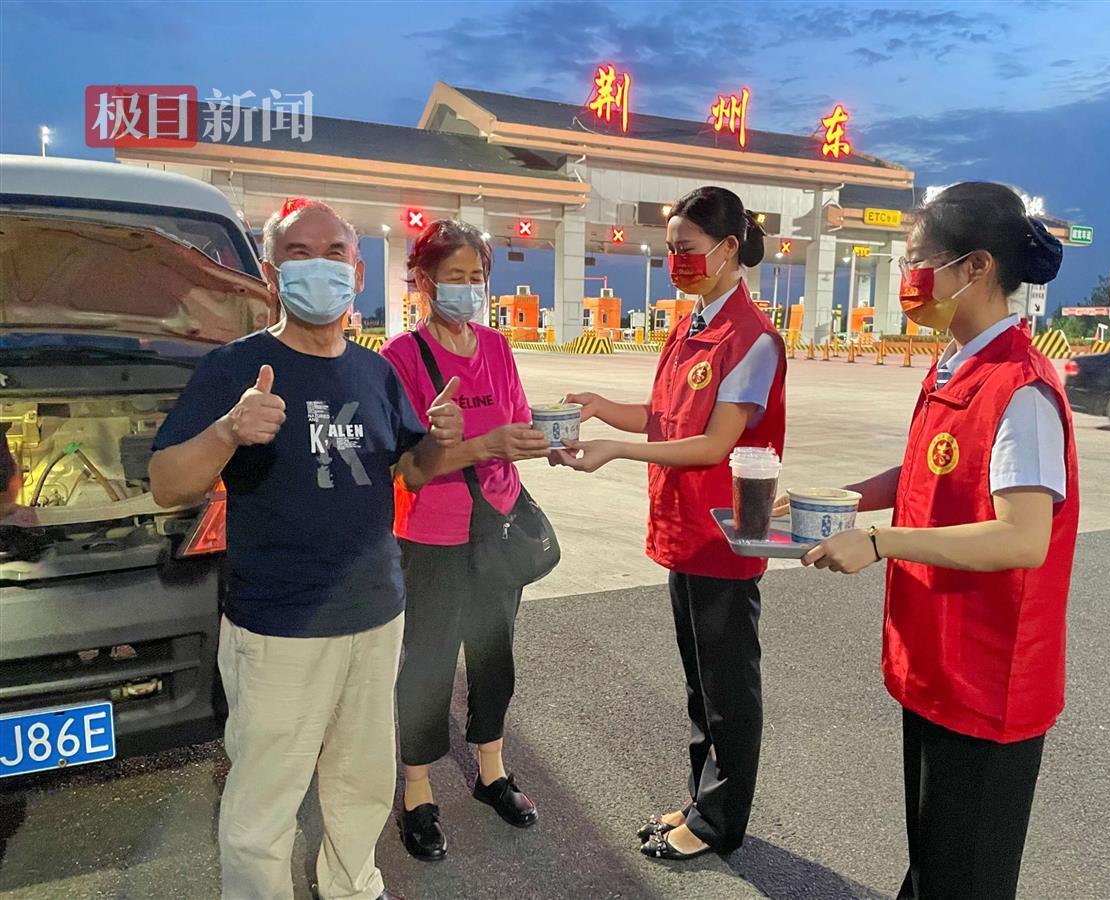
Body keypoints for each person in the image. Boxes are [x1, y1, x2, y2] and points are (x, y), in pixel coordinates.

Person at [149, 197, 471, 900]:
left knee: (362, 782)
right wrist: (227, 432)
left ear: (358, 273)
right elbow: (167, 484)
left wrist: (441, 441)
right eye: (298, 253)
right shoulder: (236, 367)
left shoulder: (374, 372)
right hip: (279, 625)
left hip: (376, 614)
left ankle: (352, 886)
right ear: (271, 275)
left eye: (334, 253)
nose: (318, 267)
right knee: (264, 801)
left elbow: (410, 470)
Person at [797, 182, 1078, 900]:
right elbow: (924, 470)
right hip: (938, 662)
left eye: (920, 260)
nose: (908, 278)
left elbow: (1022, 537)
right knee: (934, 859)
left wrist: (880, 541)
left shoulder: (1020, 389)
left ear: (975, 267)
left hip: (987, 679)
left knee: (965, 873)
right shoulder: (956, 366)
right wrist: (839, 500)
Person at [554, 186, 786, 860]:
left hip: (723, 534)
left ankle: (719, 823)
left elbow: (713, 444)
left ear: (728, 249)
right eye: (671, 250)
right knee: (699, 685)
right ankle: (700, 801)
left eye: (686, 249)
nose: (675, 260)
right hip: (685, 532)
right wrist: (603, 407)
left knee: (727, 691)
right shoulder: (692, 327)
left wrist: (616, 450)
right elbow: (665, 419)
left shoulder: (752, 340)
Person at [380, 220, 549, 862]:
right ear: (424, 281)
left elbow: (518, 421)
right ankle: (418, 789)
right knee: (428, 661)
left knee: (494, 654)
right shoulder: (401, 358)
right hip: (433, 533)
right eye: (455, 277)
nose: (469, 289)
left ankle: (491, 770)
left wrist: (539, 440)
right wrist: (481, 444)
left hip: (497, 526)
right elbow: (406, 468)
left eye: (477, 277)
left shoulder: (497, 347)